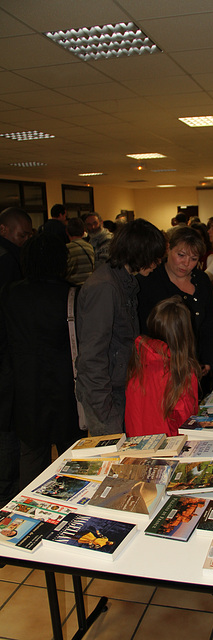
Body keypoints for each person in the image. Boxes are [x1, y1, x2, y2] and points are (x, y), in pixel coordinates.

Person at [0, 234, 82, 488]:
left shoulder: (10, 293)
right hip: (66, 388)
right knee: (74, 458)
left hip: (25, 387)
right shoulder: (72, 294)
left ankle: (32, 513)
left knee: (32, 458)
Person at [76, 219, 166, 436]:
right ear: (139, 253)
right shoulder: (105, 287)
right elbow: (93, 354)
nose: (156, 264)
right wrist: (104, 408)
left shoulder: (123, 281)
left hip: (119, 385)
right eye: (154, 258)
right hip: (105, 393)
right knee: (113, 458)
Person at [137, 226, 213, 379]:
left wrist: (206, 358)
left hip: (194, 364)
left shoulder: (202, 280)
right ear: (168, 249)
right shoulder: (148, 281)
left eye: (193, 259)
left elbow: (209, 323)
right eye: (181, 255)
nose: (186, 263)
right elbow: (142, 331)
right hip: (159, 368)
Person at [125, 296, 201, 437]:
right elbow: (187, 422)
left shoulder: (139, 359)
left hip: (137, 446)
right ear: (185, 333)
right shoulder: (181, 370)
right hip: (169, 448)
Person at [0, 206, 33, 506]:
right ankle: (7, 493)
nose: (24, 241)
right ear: (4, 230)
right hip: (6, 359)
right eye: (21, 235)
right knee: (7, 428)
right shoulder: (8, 262)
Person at [0, 207, 33, 286]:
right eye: (22, 236)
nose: (26, 241)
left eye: (29, 236)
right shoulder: (7, 259)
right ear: (2, 229)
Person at [66, 217, 95, 285]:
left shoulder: (67, 248)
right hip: (88, 286)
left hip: (73, 286)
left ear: (67, 232)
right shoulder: (89, 246)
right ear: (83, 231)